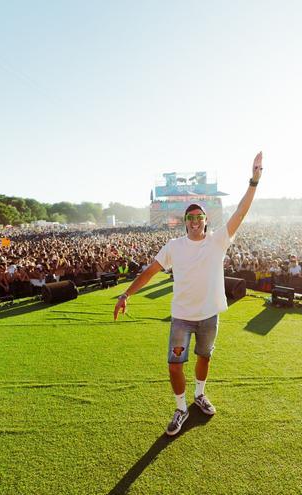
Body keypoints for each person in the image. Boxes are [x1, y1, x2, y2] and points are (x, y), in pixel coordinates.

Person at [113, 152, 263, 436]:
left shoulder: (219, 241)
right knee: (174, 365)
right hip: (181, 318)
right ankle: (181, 408)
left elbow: (241, 213)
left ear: (206, 221)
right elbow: (149, 271)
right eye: (190, 217)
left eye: (199, 216)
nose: (194, 220)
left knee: (204, 359)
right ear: (185, 222)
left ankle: (200, 395)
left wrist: (253, 182)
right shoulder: (173, 246)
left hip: (208, 316)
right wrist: (126, 294)